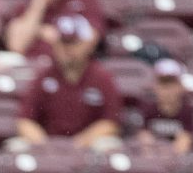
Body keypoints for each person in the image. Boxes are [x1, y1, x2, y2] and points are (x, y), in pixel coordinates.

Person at [15, 15, 120, 150]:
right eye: (63, 42)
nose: (67, 49)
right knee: (17, 147)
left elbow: (110, 123)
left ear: (87, 44)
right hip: (48, 144)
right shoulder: (43, 76)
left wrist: (80, 143)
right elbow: (25, 120)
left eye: (72, 42)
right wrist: (43, 144)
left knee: (108, 145)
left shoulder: (102, 78)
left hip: (87, 146)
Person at [136, 58, 193, 151]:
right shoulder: (148, 108)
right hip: (154, 156)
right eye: (163, 84)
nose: (167, 90)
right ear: (155, 86)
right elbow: (144, 137)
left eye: (172, 84)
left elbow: (186, 140)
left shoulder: (188, 110)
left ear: (180, 86)